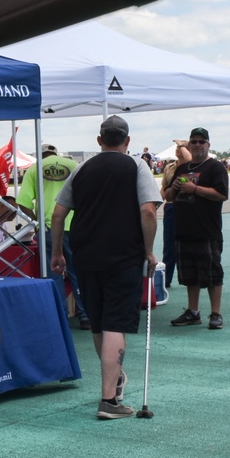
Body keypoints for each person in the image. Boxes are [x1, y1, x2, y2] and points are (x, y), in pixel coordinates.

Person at [49, 113, 160, 419]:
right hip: (123, 256)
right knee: (115, 324)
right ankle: (109, 400)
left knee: (99, 322)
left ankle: (115, 381)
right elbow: (148, 212)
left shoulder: (82, 169)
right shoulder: (137, 165)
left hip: (85, 256)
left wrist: (57, 252)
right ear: (127, 141)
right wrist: (149, 251)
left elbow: (58, 213)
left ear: (99, 141)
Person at [17, 143, 89, 328]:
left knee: (53, 272)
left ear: (40, 155)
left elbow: (23, 202)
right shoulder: (73, 165)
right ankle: (85, 315)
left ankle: (61, 315)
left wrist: (37, 221)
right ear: (55, 153)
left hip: (49, 227)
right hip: (74, 225)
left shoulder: (34, 168)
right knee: (78, 271)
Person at [164, 127, 229, 328]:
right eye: (194, 141)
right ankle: (193, 311)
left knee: (212, 273)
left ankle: (215, 313)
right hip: (184, 229)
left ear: (208, 145)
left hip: (207, 229)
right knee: (189, 275)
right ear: (189, 145)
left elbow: (221, 194)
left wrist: (195, 189)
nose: (198, 145)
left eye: (202, 141)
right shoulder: (182, 169)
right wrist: (173, 189)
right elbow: (167, 196)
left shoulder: (215, 167)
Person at [160, 141, 190, 286]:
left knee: (188, 244)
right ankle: (166, 279)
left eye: (182, 147)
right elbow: (164, 187)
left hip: (187, 207)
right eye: (178, 147)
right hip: (171, 206)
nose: (178, 149)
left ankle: (189, 278)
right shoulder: (169, 167)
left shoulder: (192, 165)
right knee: (169, 244)